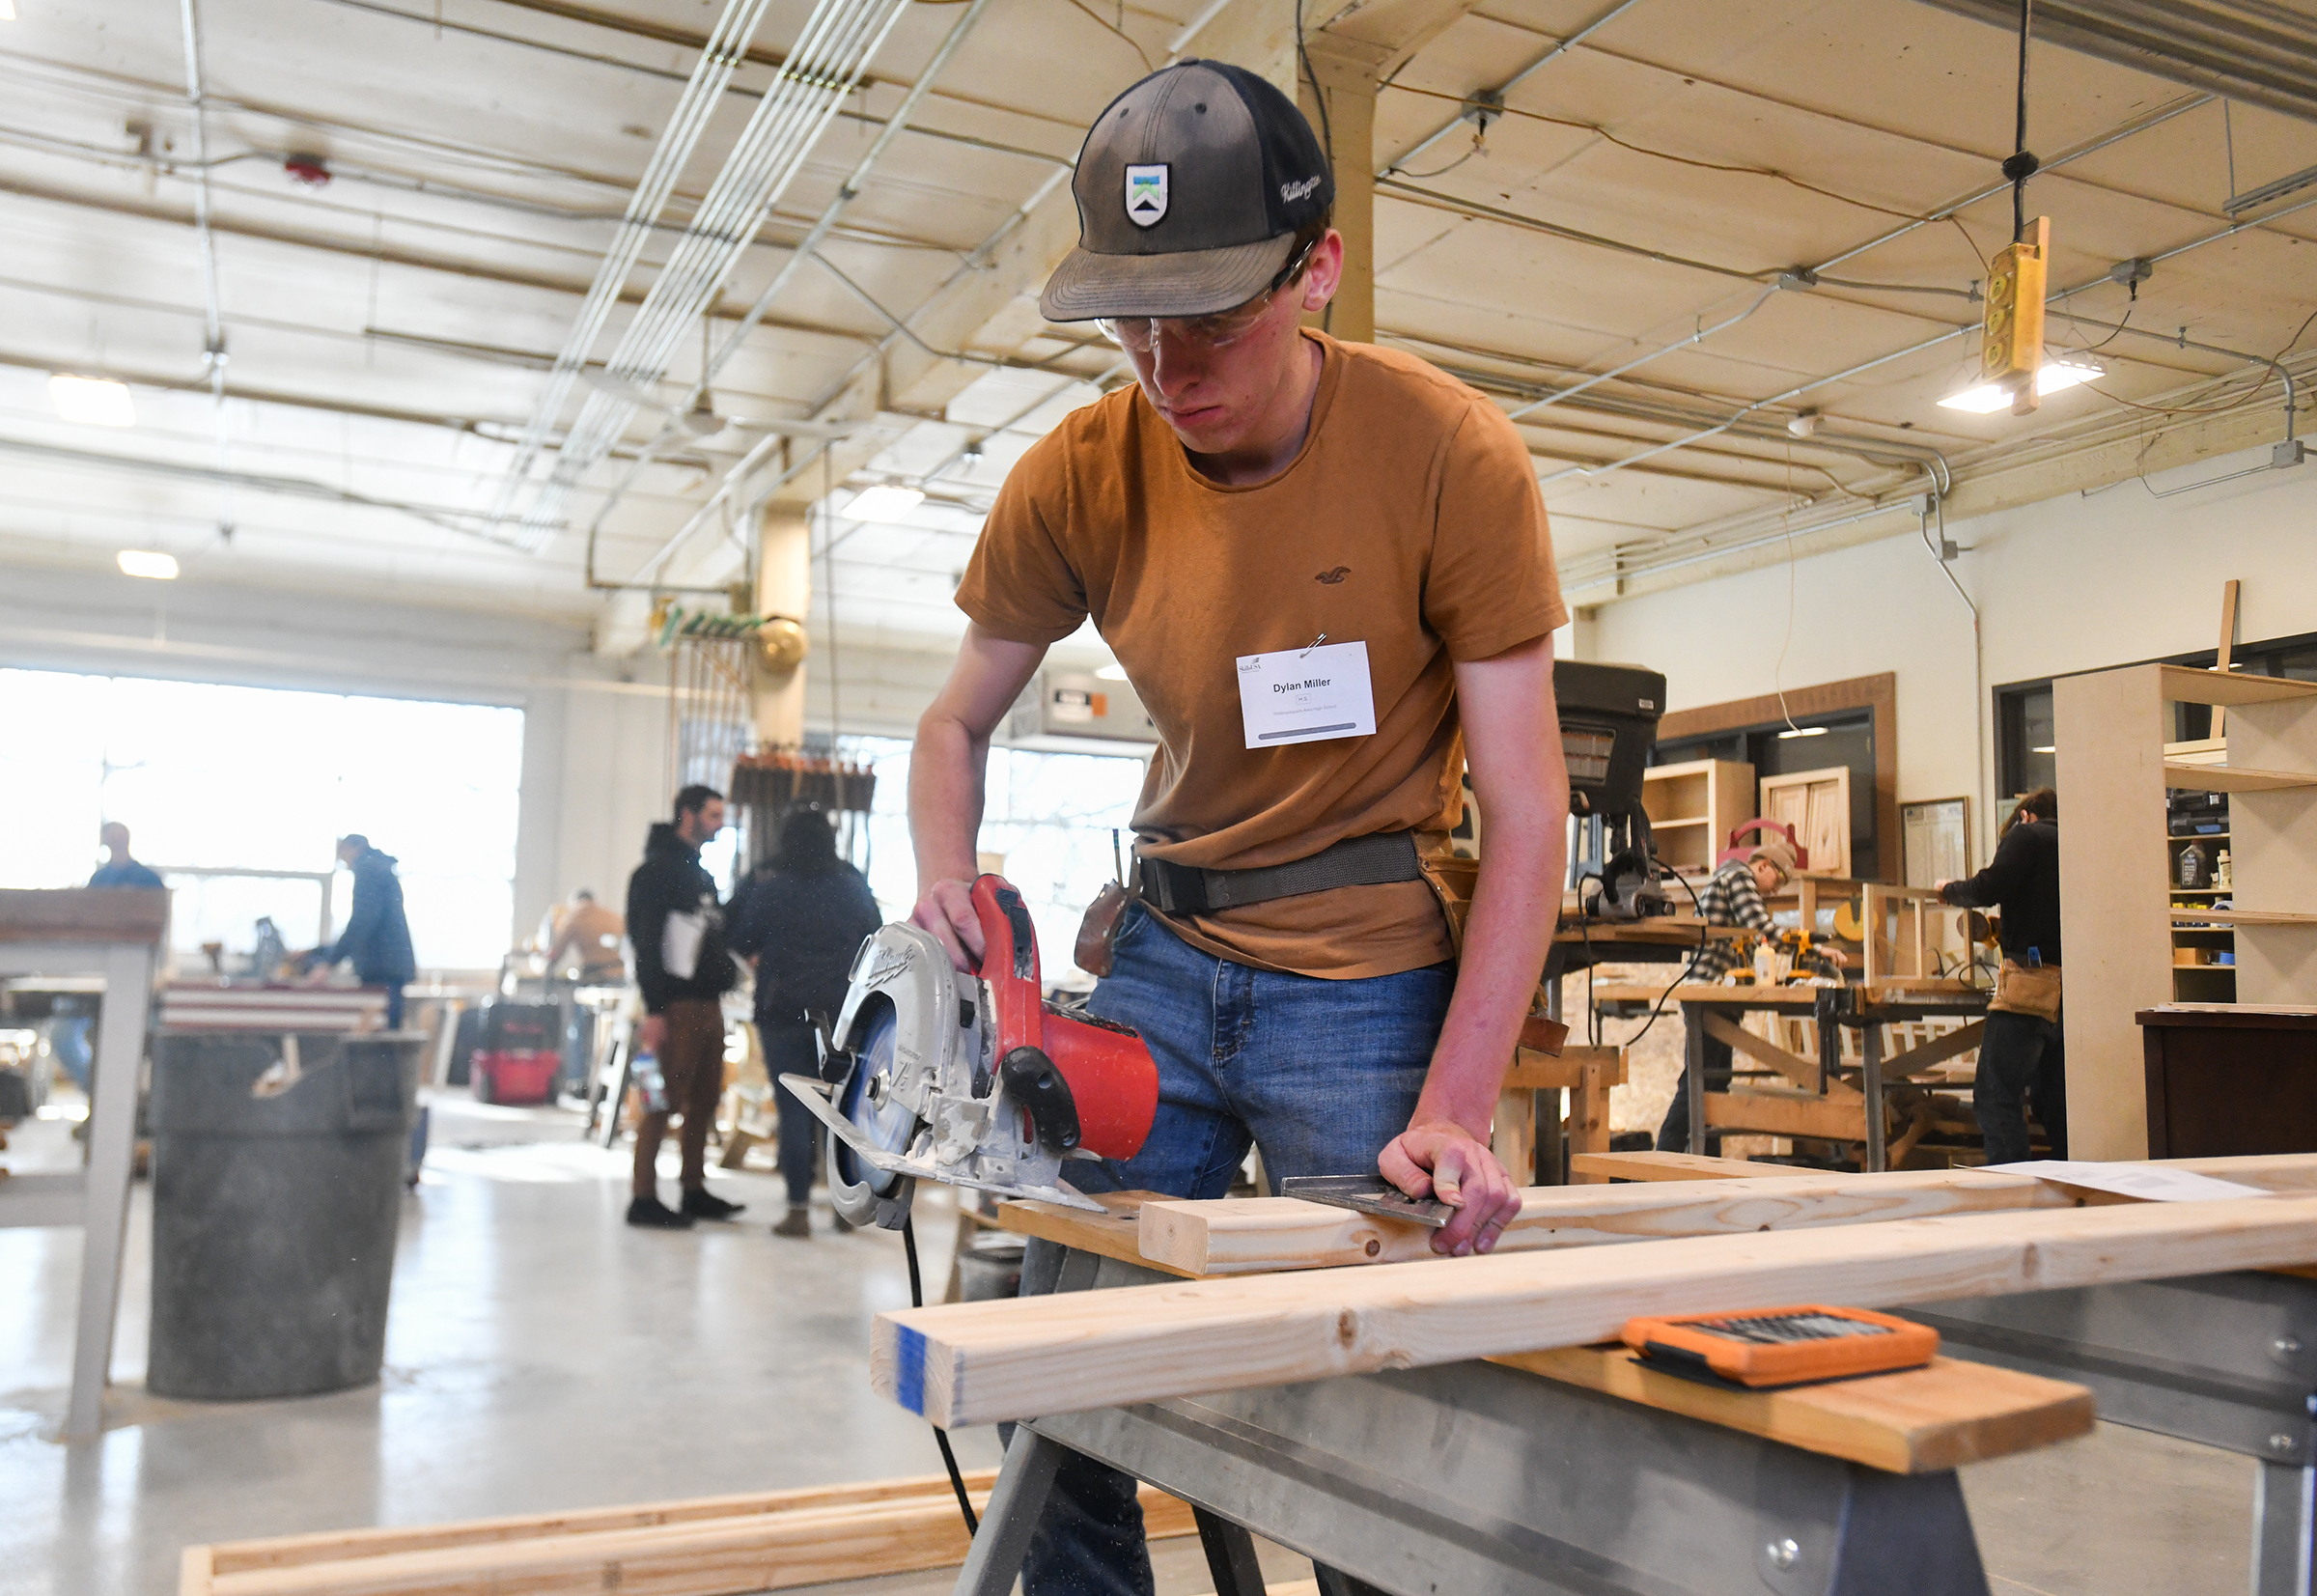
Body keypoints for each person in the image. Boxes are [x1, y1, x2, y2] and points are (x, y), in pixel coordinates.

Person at [907, 61, 1570, 1596]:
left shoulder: (1448, 454)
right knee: (1055, 1362)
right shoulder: (1080, 472)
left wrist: (1459, 1108)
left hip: (1366, 970)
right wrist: (947, 880)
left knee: (1383, 1415)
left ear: (1316, 266)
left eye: (1211, 315)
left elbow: (1529, 819)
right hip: (1165, 950)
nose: (1165, 361)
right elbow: (952, 722)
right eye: (1133, 319)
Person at [727, 802, 882, 1238]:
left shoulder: (771, 887)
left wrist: (764, 966)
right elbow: (877, 939)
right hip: (841, 1013)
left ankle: (797, 1210)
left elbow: (739, 939)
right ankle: (842, 1205)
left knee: (793, 1106)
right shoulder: (852, 885)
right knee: (841, 1106)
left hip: (782, 1010)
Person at [1654, 834, 1845, 1154]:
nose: (1775, 890)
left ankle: (1707, 1163)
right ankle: (1661, 1162)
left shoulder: (1731, 880)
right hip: (1706, 993)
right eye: (1777, 879)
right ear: (1763, 865)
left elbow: (1758, 943)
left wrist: (1810, 955)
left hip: (1717, 996)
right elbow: (1762, 929)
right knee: (1698, 1084)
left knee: (1714, 1084)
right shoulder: (1738, 877)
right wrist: (1816, 946)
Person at [624, 785, 745, 1230]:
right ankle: (643, 1197)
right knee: (658, 1098)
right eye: (713, 816)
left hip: (708, 1006)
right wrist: (654, 1009)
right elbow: (645, 945)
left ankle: (693, 1189)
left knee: (705, 1099)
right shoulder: (654, 874)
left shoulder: (699, 875)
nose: (719, 825)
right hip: (671, 1008)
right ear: (687, 815)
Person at [1940, 788, 2064, 1164]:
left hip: (2032, 983)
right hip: (2073, 986)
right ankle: (2074, 1185)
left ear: (2025, 815)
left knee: (1996, 1094)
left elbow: (1988, 886)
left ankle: (2011, 1190)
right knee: (2053, 1099)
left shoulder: (2028, 835)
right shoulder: (2077, 840)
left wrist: (1948, 891)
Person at [307, 834, 417, 1029]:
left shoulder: (368, 869)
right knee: (387, 1029)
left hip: (382, 967)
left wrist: (329, 963)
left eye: (343, 858)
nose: (346, 864)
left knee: (380, 1035)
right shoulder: (380, 868)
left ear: (350, 849)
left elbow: (362, 921)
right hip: (391, 964)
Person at [544, 889, 628, 986]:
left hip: (595, 975)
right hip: (621, 972)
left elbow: (556, 952)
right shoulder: (613, 915)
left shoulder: (574, 918)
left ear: (574, 902)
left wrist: (547, 972)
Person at [89, 822, 165, 890]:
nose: (118, 843)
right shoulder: (98, 880)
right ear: (106, 842)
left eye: (120, 838)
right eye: (113, 839)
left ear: (127, 840)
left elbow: (160, 902)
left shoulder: (149, 879)